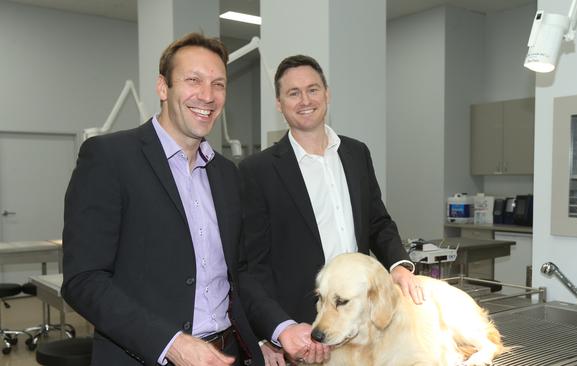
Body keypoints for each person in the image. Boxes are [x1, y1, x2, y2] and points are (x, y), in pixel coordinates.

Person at [62, 32, 263, 366]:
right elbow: (84, 280)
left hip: (228, 353)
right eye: (193, 80)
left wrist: (269, 332)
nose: (207, 96)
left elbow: (238, 275)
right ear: (162, 87)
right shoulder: (109, 158)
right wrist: (171, 344)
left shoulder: (227, 174)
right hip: (151, 356)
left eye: (218, 84)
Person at [238, 55, 424, 365]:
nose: (305, 100)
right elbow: (254, 265)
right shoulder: (257, 170)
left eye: (313, 89)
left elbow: (377, 222)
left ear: (327, 93)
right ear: (278, 104)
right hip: (302, 333)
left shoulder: (356, 153)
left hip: (360, 327)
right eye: (293, 93)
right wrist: (269, 331)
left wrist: (398, 264)